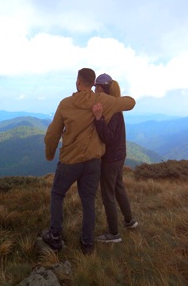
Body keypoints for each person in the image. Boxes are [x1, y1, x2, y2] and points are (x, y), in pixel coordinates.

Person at [43, 68, 136, 254]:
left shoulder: (65, 104)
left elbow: (53, 134)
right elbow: (131, 103)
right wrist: (115, 97)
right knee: (88, 201)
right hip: (93, 162)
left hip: (70, 160)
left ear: (78, 82)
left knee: (57, 194)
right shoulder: (103, 101)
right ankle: (87, 243)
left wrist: (50, 153)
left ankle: (55, 236)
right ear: (93, 84)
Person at [91, 73, 138, 244]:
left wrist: (98, 119)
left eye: (96, 87)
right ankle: (129, 221)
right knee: (119, 187)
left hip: (110, 158)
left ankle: (113, 233)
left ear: (101, 88)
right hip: (120, 155)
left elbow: (108, 138)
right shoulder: (116, 106)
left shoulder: (110, 110)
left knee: (108, 194)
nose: (94, 90)